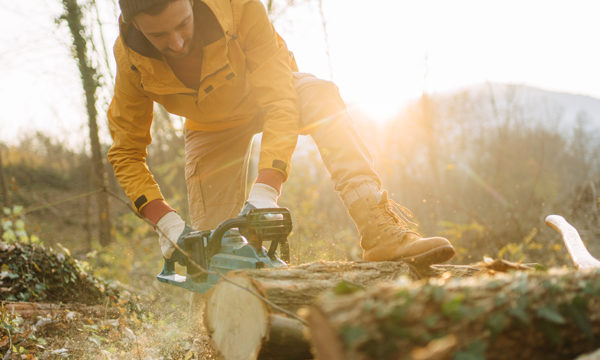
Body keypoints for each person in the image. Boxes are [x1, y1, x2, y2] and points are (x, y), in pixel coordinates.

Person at [108, 0, 455, 266]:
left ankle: (378, 228)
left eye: (183, 24)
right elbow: (125, 149)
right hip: (210, 129)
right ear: (134, 25)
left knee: (320, 94)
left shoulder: (238, 8)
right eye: (159, 36)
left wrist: (267, 187)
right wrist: (161, 217)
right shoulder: (130, 58)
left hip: (271, 96)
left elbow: (278, 98)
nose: (178, 41)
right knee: (212, 253)